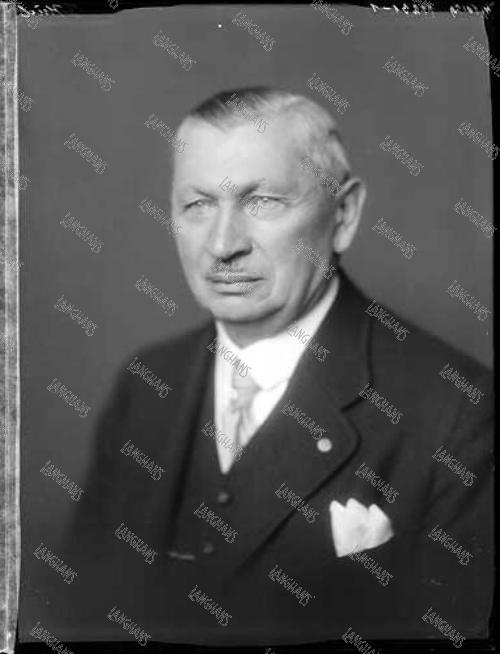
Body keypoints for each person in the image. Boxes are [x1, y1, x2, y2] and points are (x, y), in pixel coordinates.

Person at [62, 87, 493, 646]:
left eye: (262, 201)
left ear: (343, 215)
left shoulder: (456, 413)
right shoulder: (146, 385)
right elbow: (84, 612)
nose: (223, 245)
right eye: (198, 205)